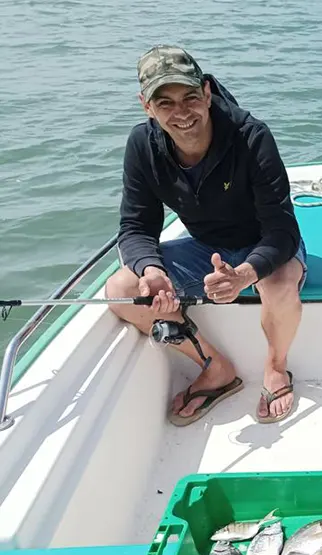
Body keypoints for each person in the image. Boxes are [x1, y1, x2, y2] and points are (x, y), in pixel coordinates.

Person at [106, 45, 307, 425]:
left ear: (208, 92)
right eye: (165, 103)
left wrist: (246, 273)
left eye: (190, 97)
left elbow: (282, 231)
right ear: (146, 106)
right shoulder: (141, 146)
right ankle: (214, 366)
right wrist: (151, 271)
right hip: (204, 248)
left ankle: (276, 366)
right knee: (121, 289)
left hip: (265, 245)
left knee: (277, 285)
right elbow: (135, 227)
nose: (181, 113)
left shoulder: (252, 137)